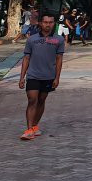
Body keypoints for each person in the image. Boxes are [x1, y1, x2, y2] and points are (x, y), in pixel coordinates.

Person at [17, 12, 65, 140]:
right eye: (45, 22)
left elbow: (59, 59)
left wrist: (57, 78)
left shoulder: (59, 40)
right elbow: (26, 58)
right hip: (33, 75)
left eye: (50, 22)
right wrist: (22, 77)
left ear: (54, 23)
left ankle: (34, 127)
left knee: (41, 100)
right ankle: (29, 130)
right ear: (40, 23)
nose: (48, 25)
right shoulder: (31, 39)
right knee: (32, 100)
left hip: (48, 76)